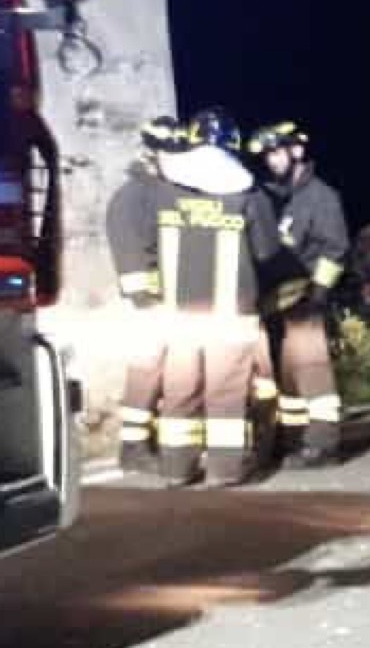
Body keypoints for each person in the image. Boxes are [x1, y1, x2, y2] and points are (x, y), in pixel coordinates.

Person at [112, 106, 300, 486]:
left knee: (180, 392)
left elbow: (144, 242)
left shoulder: (165, 192)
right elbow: (266, 252)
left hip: (179, 317)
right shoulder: (249, 194)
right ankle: (224, 471)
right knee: (226, 395)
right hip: (230, 318)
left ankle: (176, 469)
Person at [246, 121, 351, 468]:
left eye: (276, 152)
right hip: (276, 302)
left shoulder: (320, 197)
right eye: (267, 156)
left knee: (312, 372)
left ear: (297, 151)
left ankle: (323, 444)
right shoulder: (274, 198)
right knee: (287, 377)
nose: (271, 161)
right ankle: (294, 440)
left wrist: (318, 293)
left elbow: (336, 249)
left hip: (306, 300)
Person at [107, 115, 186, 475]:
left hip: (174, 298)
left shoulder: (165, 190)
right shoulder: (133, 196)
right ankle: (134, 447)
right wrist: (144, 297)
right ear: (150, 152)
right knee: (146, 372)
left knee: (168, 372)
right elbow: (129, 249)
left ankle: (157, 443)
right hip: (150, 303)